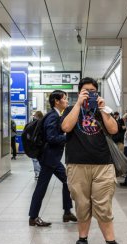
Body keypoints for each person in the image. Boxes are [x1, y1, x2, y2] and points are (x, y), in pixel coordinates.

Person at [62, 77, 122, 244]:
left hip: (103, 165)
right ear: (80, 92)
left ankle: (111, 243)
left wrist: (103, 110)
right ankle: (82, 239)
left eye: (93, 91)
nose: (90, 94)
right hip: (77, 165)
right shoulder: (71, 110)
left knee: (103, 205)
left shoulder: (102, 110)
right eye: (86, 91)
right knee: (81, 204)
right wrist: (78, 105)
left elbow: (114, 130)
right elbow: (66, 127)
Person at [28, 90, 77, 227]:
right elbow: (51, 138)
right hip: (49, 158)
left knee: (67, 180)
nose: (67, 101)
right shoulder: (52, 116)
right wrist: (67, 138)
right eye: (65, 98)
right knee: (42, 187)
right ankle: (33, 217)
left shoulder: (55, 115)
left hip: (52, 158)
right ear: (57, 101)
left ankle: (67, 212)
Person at [32, 111, 44, 179]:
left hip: (35, 144)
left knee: (35, 159)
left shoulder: (34, 124)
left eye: (35, 116)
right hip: (41, 145)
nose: (34, 117)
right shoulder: (44, 122)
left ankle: (37, 173)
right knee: (39, 159)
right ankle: (40, 173)